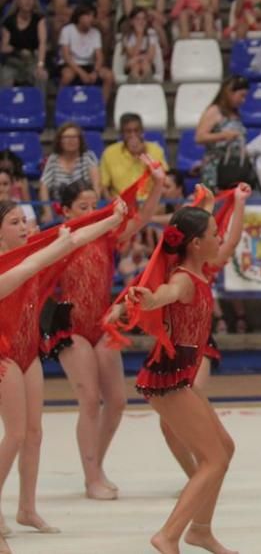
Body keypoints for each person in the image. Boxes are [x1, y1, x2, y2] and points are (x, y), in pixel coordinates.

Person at [126, 184, 249, 554]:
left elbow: (221, 235)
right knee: (212, 460)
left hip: (180, 376)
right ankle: (168, 535)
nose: (220, 237)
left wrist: (216, 203)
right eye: (213, 233)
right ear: (195, 243)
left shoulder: (201, 269)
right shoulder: (182, 279)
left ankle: (201, 530)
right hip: (169, 376)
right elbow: (166, 293)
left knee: (224, 449)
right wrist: (151, 299)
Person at [0, 199, 129, 543]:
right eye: (14, 223)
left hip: (28, 351)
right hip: (4, 355)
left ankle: (26, 508)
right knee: (14, 435)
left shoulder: (32, 252)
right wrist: (59, 242)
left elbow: (74, 239)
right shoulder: (6, 264)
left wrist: (111, 220)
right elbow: (33, 266)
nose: (25, 227)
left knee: (34, 433)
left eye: (24, 220)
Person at [48, 165, 164, 500]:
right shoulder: (62, 239)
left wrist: (156, 183)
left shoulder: (105, 234)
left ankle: (95, 465)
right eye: (82, 207)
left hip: (101, 324)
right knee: (89, 400)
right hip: (72, 328)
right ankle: (91, 478)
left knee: (116, 401)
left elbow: (142, 218)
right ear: (66, 210)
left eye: (94, 205)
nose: (90, 212)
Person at [195, 76, 249, 192]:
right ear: (229, 92)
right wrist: (223, 135)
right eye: (241, 96)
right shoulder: (214, 111)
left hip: (233, 167)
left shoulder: (235, 114)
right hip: (215, 169)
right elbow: (199, 137)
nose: (243, 100)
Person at [40, 122, 101, 221]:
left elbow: (96, 185)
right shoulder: (53, 159)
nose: (70, 140)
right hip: (59, 211)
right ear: (60, 140)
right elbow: (44, 186)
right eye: (66, 137)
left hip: (84, 209)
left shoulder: (88, 156)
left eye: (74, 137)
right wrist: (47, 212)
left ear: (80, 140)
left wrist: (93, 208)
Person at [100, 113, 168, 199]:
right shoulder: (109, 153)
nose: (133, 135)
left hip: (150, 203)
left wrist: (143, 154)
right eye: (128, 131)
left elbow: (164, 181)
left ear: (142, 131)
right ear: (122, 133)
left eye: (136, 130)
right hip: (122, 205)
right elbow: (104, 186)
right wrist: (112, 205)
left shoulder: (155, 150)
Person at [0, 0, 48, 90]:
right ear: (18, 0)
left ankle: (39, 106)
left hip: (32, 61)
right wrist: (18, 50)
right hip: (13, 62)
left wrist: (40, 65)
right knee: (5, 76)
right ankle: (6, 106)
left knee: (42, 76)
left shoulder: (39, 19)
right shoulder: (9, 21)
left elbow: (42, 44)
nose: (28, 1)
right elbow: (4, 47)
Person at [122, 7, 160, 82]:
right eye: (137, 19)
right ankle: (135, 89)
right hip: (132, 64)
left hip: (146, 62)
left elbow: (150, 56)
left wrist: (138, 59)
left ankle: (147, 89)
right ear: (131, 21)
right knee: (135, 67)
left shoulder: (151, 33)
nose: (141, 22)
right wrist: (140, 35)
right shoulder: (127, 36)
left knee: (145, 65)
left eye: (143, 19)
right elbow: (132, 54)